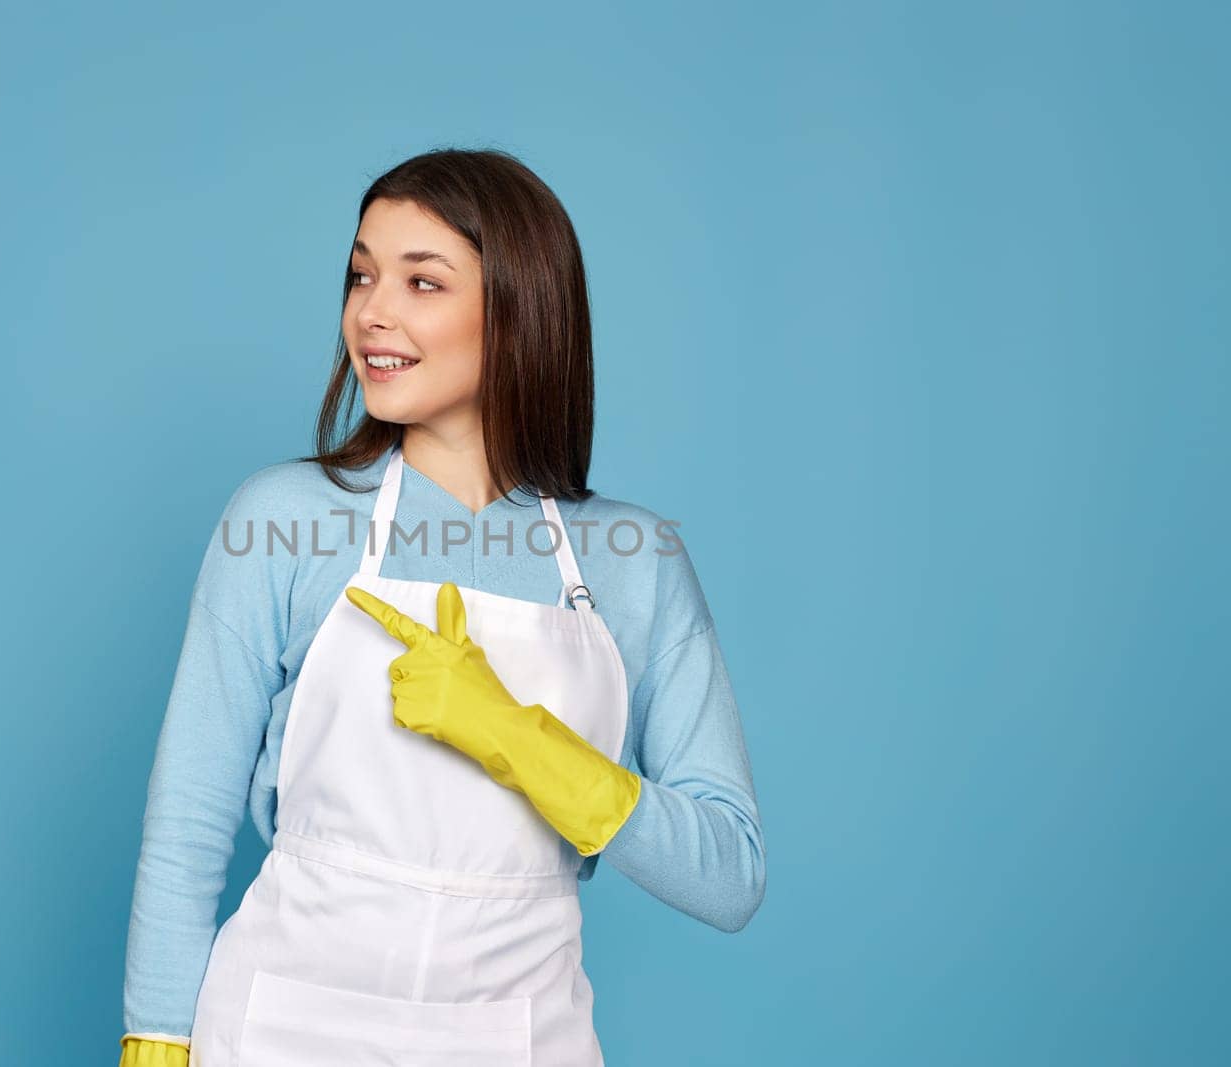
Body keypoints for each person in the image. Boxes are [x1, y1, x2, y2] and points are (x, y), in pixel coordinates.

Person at [118, 148, 766, 1065]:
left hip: (519, 1038)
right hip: (279, 1030)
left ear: (520, 310)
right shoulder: (286, 521)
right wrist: (156, 1038)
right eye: (361, 274)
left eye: (423, 282)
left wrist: (521, 739)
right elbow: (187, 820)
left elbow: (730, 875)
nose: (372, 311)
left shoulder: (633, 563)